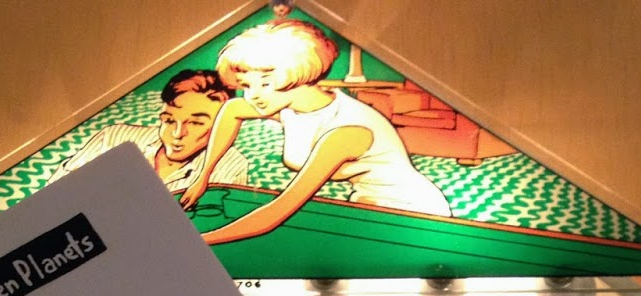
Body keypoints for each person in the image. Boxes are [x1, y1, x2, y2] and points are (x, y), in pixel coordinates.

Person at [179, 18, 451, 244]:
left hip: (415, 215)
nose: (253, 96)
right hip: (367, 206)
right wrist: (203, 176)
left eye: (265, 83)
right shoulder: (288, 106)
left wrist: (197, 242)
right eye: (246, 85)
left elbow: (277, 212)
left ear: (296, 75)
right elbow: (232, 109)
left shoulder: (346, 130)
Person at [58, 69, 250, 193]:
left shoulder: (230, 166)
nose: (177, 134)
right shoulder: (113, 138)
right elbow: (56, 192)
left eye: (195, 123)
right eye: (169, 121)